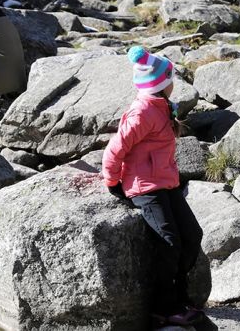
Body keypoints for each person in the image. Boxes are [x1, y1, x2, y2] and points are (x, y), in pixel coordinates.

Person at [101, 46, 204, 326]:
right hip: (145, 187)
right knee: (169, 242)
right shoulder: (143, 112)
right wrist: (112, 181)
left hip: (165, 181)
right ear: (162, 83)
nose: (174, 83)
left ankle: (180, 297)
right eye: (172, 78)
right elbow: (114, 150)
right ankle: (164, 308)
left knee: (192, 235)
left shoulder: (161, 105)